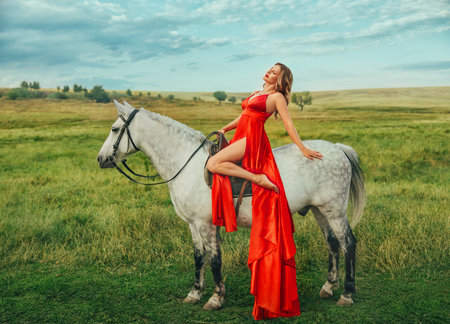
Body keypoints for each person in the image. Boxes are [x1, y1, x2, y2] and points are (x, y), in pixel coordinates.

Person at [206, 63, 322, 320]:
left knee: (213, 164)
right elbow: (245, 114)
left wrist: (302, 148)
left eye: (275, 71)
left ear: (282, 79)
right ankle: (253, 177)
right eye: (270, 68)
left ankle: (257, 177)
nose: (269, 71)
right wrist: (225, 128)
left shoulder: (276, 97)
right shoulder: (258, 93)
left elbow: (289, 125)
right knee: (215, 163)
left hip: (254, 140)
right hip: (242, 135)